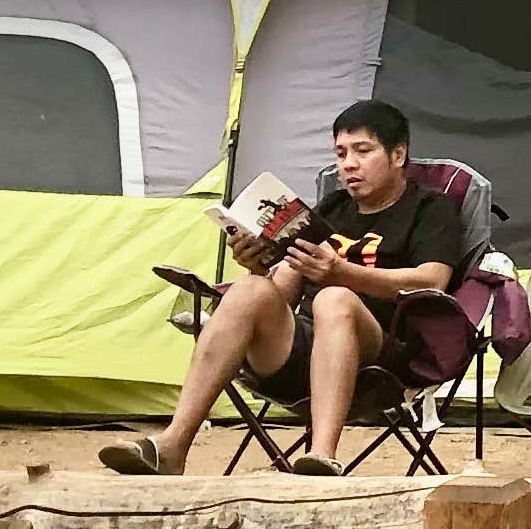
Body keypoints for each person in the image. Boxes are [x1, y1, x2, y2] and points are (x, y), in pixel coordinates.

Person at [105, 98, 469, 476]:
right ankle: (172, 446)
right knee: (248, 292)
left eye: (363, 151)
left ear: (398, 155)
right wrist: (258, 267)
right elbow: (281, 292)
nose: (348, 164)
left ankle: (321, 456)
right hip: (303, 353)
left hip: (382, 360)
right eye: (341, 153)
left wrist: (342, 274)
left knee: (334, 298)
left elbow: (433, 280)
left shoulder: (430, 209)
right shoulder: (332, 208)